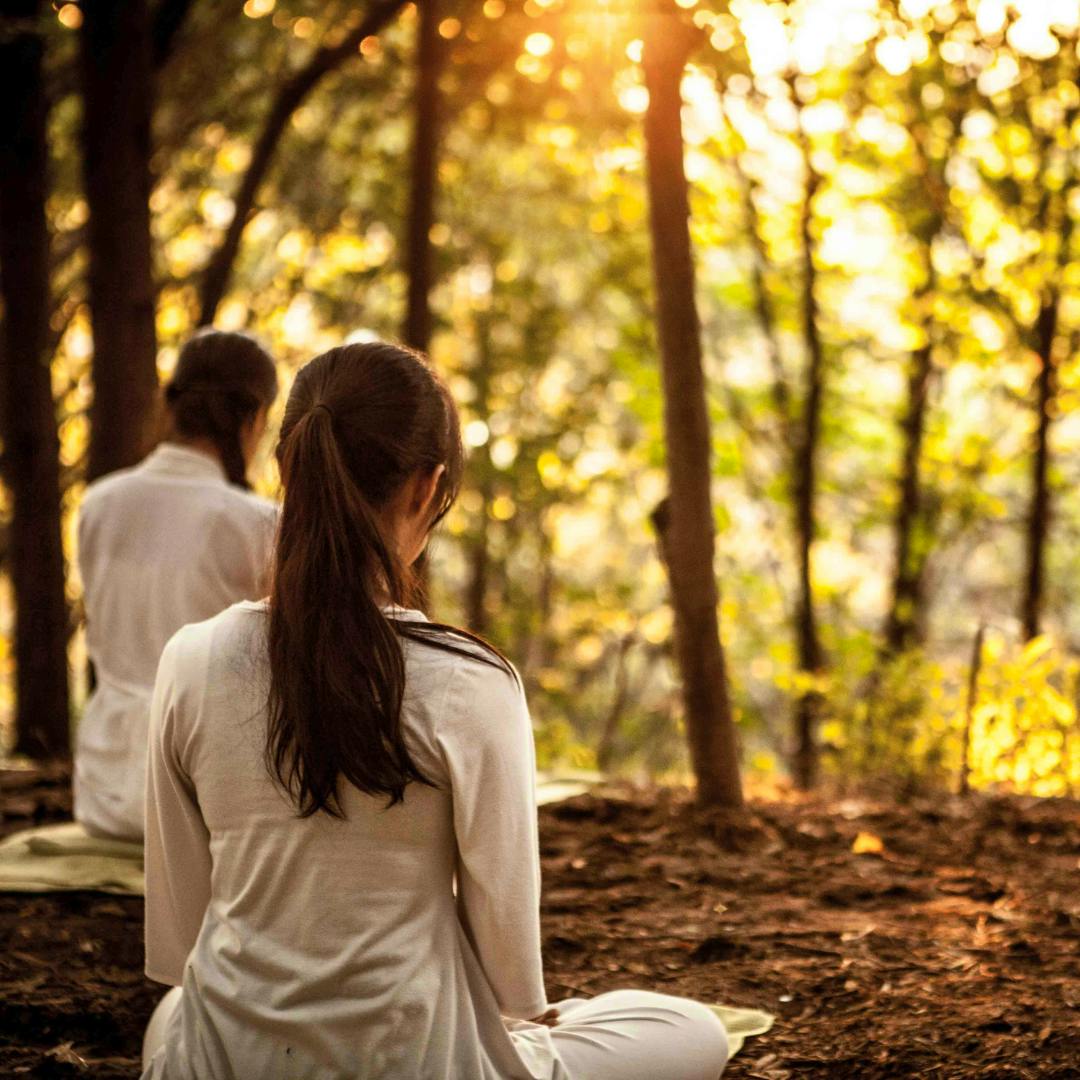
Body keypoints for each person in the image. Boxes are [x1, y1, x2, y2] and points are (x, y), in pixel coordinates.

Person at [141, 342, 729, 1079]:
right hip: (415, 1062)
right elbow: (513, 980)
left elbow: (180, 941)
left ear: (287, 470)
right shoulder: (470, 681)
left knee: (172, 1015)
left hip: (227, 1062)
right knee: (689, 1029)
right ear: (427, 488)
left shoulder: (190, 659)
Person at [74, 330, 279, 842]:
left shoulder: (98, 503)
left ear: (172, 404)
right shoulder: (256, 523)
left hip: (102, 791)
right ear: (253, 419)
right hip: (204, 800)